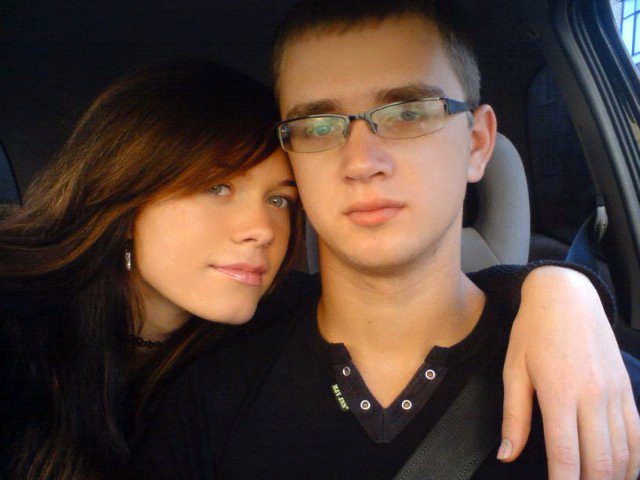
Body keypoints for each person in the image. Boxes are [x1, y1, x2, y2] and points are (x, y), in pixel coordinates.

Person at [132, 2, 640, 479]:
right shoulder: (203, 391)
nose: (361, 162)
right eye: (318, 127)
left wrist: (563, 286)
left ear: (477, 143)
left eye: (409, 112)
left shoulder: (602, 390)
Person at [0, 59, 302, 479]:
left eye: (279, 200)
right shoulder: (17, 335)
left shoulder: (282, 337)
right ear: (127, 204)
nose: (263, 230)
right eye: (217, 188)